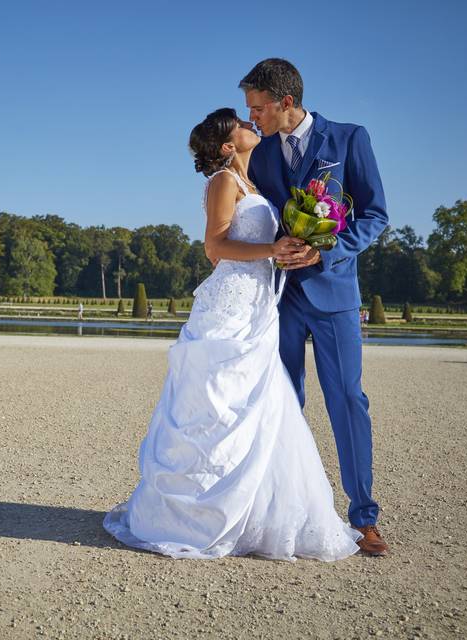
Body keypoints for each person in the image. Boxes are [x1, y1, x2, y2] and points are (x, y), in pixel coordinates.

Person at [103, 107, 361, 561]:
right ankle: (199, 516)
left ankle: (256, 515)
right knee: (218, 401)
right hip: (230, 306)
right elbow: (214, 246)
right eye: (241, 125)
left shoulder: (254, 183)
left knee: (260, 404)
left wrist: (292, 245)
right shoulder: (224, 181)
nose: (250, 125)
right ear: (228, 146)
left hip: (258, 305)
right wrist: (271, 248)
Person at [243, 58, 389, 555]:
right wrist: (274, 249)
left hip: (334, 297)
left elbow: (375, 215)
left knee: (348, 401)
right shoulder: (259, 155)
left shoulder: (350, 139)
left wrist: (328, 247)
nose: (253, 117)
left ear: (287, 102)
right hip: (280, 298)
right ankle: (284, 513)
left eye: (259, 108)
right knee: (284, 402)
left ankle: (364, 517)